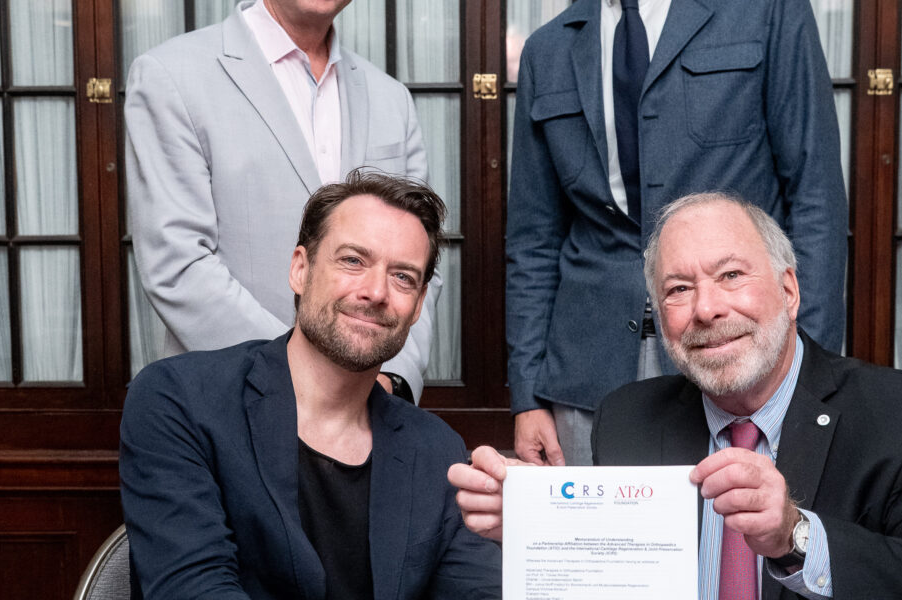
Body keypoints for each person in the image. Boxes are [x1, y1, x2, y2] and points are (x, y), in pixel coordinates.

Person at [450, 193, 902, 599]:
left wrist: (795, 535)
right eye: (678, 289)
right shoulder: (628, 419)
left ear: (789, 291)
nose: (706, 309)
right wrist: (539, 525)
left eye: (731, 276)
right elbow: (618, 573)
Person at [121, 171, 501, 600]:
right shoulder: (179, 400)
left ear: (417, 307)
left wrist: (537, 525)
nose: (376, 292)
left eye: (402, 277)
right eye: (353, 261)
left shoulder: (436, 450)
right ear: (300, 270)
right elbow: (194, 590)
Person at [507, 0, 848, 465]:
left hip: (739, 351)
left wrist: (811, 366)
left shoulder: (768, 12)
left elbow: (816, 195)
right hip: (585, 374)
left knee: (747, 512)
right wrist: (528, 395)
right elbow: (534, 240)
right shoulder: (547, 49)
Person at [125, 0, 436, 403]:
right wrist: (303, 377)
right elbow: (179, 262)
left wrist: (392, 379)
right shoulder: (170, 75)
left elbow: (420, 265)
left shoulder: (391, 98)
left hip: (367, 408)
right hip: (230, 403)